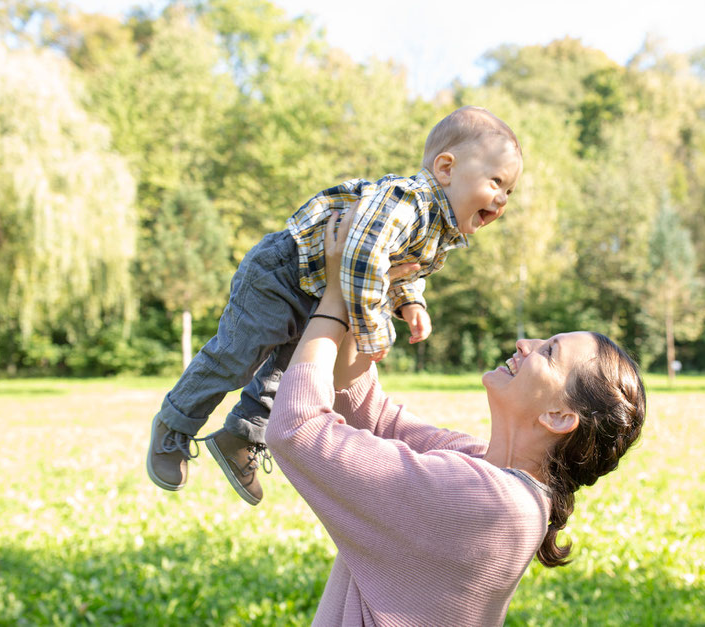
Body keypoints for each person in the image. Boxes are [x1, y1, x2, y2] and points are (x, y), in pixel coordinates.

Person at [265, 209, 647, 625]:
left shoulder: (483, 501)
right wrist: (366, 290)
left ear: (558, 416)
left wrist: (335, 303)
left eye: (549, 352)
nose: (524, 344)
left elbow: (297, 429)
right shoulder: (487, 471)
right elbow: (369, 413)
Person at [147, 106, 523, 505]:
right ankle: (173, 425)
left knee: (294, 374)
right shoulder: (407, 199)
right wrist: (370, 327)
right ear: (446, 168)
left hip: (319, 289)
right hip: (284, 273)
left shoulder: (438, 227)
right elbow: (363, 255)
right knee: (236, 358)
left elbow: (402, 268)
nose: (502, 199)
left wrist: (411, 302)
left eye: (510, 191)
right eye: (496, 182)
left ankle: (241, 436)